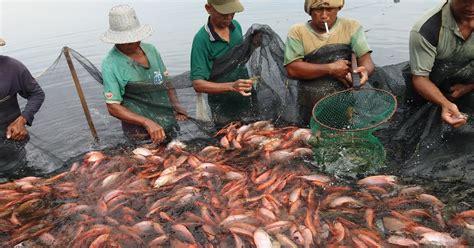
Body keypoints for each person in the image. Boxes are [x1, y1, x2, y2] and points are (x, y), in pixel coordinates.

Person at [101, 4, 187, 144]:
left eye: (136, 38)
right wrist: (146, 122)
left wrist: (176, 104)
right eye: (127, 41)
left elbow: (167, 82)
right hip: (139, 131)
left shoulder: (151, 50)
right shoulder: (111, 63)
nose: (134, 42)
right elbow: (113, 107)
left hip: (167, 119)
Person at [284, 0, 375, 125]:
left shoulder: (351, 26)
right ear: (310, 11)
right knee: (312, 134)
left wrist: (364, 71)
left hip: (344, 98)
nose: (324, 16)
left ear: (338, 8)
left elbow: (366, 60)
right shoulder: (298, 31)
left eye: (330, 10)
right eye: (318, 10)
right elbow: (292, 69)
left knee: (345, 127)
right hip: (311, 101)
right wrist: (330, 68)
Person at [407, 0, 473, 128]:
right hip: (433, 81)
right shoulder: (426, 29)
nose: (471, 8)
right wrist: (444, 103)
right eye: (465, 1)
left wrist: (468, 87)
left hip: (468, 77)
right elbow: (420, 78)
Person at [190, 0, 255, 127]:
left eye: (232, 12)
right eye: (224, 13)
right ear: (209, 9)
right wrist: (232, 86)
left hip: (247, 99)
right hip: (223, 108)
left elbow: (238, 59)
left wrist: (252, 46)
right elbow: (198, 84)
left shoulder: (235, 26)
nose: (229, 17)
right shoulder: (201, 40)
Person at [0, 37, 45, 174]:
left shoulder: (11, 67)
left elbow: (36, 94)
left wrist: (22, 119)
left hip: (10, 143)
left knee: (19, 181)